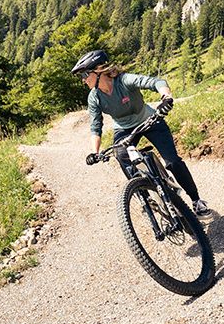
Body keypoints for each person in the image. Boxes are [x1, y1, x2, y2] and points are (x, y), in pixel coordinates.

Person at [71, 50, 210, 215]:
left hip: (150, 120)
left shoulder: (124, 81)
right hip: (123, 129)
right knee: (121, 156)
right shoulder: (94, 97)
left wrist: (166, 97)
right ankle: (144, 196)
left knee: (172, 161)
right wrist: (95, 152)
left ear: (99, 71)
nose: (83, 80)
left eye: (85, 74)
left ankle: (196, 200)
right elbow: (95, 126)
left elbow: (156, 82)